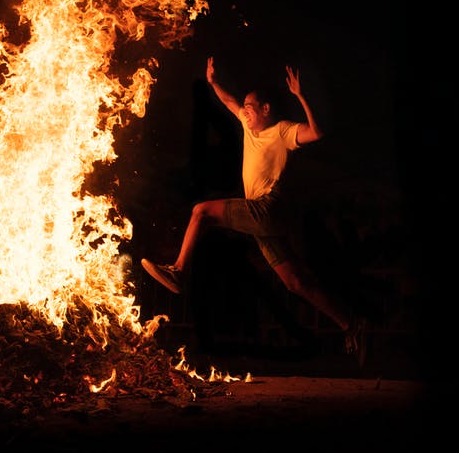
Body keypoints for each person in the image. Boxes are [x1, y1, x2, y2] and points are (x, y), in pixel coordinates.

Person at [141, 56, 368, 359]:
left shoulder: (283, 131)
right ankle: (351, 324)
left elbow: (317, 132)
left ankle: (179, 271)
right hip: (264, 218)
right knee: (295, 282)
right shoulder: (249, 127)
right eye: (244, 108)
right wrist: (213, 82)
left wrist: (301, 96)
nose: (244, 111)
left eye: (250, 107)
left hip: (266, 209)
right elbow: (229, 101)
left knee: (201, 211)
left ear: (266, 109)